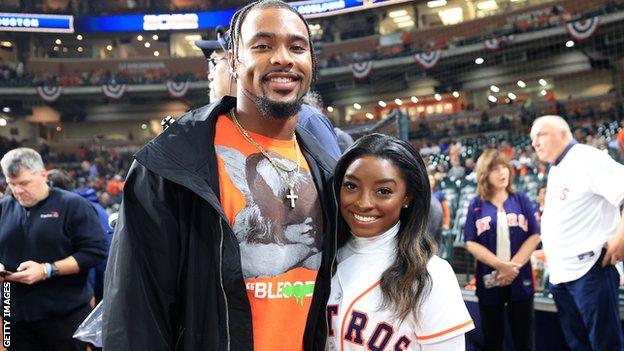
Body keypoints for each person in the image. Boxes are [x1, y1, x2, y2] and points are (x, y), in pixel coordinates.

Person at [103, 1, 338, 350]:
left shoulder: (326, 168)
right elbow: (135, 313)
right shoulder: (172, 163)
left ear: (310, 63)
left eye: (297, 47)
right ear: (234, 59)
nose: (283, 58)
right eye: (263, 45)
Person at [327, 133, 474, 351]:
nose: (363, 203)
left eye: (383, 191)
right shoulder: (323, 258)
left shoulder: (432, 275)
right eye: (351, 186)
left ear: (407, 197)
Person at [530, 115, 624, 350]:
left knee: (605, 345)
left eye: (541, 134)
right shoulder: (557, 167)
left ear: (563, 134)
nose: (535, 143)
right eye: (532, 138)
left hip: (591, 270)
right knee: (579, 345)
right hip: (563, 274)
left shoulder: (586, 158)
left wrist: (622, 237)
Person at [0, 148, 107, 351]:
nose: (18, 191)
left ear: (42, 175)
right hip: (13, 313)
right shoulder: (4, 207)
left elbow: (94, 252)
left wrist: (47, 269)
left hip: (63, 313)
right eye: (12, 184)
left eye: (23, 183)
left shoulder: (73, 205)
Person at [195, 24, 342, 160]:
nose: (210, 74)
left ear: (234, 64)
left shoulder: (306, 120)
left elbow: (333, 185)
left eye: (214, 63)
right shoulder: (230, 126)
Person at [463, 149, 540, 351]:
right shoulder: (475, 205)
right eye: (495, 169)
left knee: (524, 339)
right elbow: (470, 241)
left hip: (520, 276)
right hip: (489, 278)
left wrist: (512, 267)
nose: (502, 172)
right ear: (484, 174)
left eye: (504, 167)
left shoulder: (521, 199)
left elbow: (534, 234)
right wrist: (500, 266)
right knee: (493, 339)